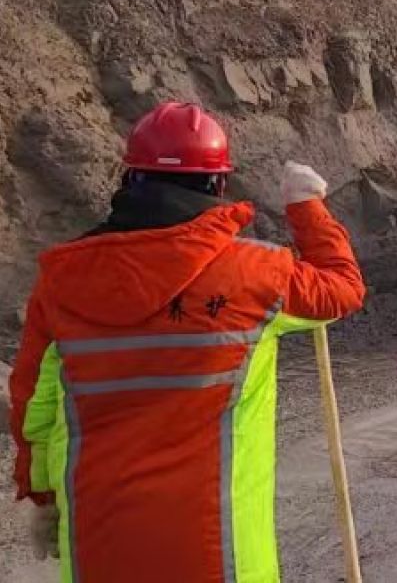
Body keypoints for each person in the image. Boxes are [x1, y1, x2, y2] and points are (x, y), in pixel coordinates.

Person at [8, 102, 365, 583]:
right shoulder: (260, 275)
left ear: (129, 177)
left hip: (101, 541)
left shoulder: (64, 280)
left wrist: (44, 494)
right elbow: (342, 288)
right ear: (218, 185)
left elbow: (36, 403)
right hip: (221, 552)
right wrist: (307, 208)